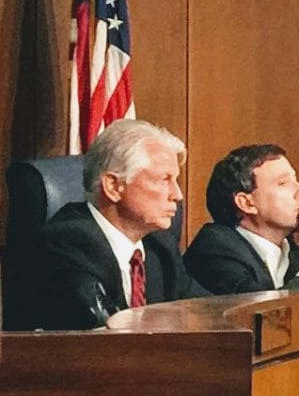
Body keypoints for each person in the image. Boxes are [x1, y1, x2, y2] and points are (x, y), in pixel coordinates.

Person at [32, 120, 209, 330]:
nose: (177, 195)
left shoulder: (159, 247)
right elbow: (107, 332)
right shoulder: (68, 242)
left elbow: (206, 312)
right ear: (114, 186)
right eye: (164, 179)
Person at [184, 144, 299, 294]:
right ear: (246, 203)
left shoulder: (298, 248)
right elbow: (271, 321)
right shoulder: (215, 250)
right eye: (283, 183)